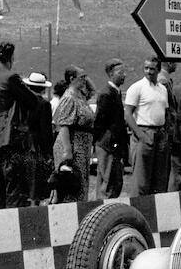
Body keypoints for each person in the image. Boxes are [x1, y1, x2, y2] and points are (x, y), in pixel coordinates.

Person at [0, 41, 40, 209]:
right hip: (8, 138)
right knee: (15, 186)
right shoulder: (10, 77)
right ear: (11, 57)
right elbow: (32, 101)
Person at [123, 56, 170, 195]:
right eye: (146, 68)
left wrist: (165, 132)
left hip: (160, 134)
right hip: (144, 132)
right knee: (141, 180)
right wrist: (141, 135)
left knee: (160, 180)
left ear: (159, 70)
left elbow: (165, 112)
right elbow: (128, 114)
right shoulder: (137, 87)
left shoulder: (162, 89)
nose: (149, 72)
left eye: (152, 69)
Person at [52, 66, 95, 203]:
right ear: (72, 79)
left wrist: (84, 77)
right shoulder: (69, 98)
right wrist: (67, 151)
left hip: (82, 145)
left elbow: (92, 90)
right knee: (73, 184)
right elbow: (64, 125)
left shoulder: (80, 95)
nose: (85, 80)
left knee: (81, 183)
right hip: (73, 145)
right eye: (82, 77)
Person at [93, 59, 128, 199]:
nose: (124, 75)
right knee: (110, 182)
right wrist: (108, 141)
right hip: (108, 144)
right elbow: (100, 121)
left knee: (110, 180)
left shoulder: (115, 92)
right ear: (111, 74)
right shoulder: (106, 94)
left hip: (111, 144)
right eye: (121, 72)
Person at [24, 73, 54, 205]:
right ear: (43, 88)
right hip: (37, 146)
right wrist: (49, 152)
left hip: (24, 143)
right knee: (37, 182)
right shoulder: (44, 104)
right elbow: (46, 131)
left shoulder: (23, 102)